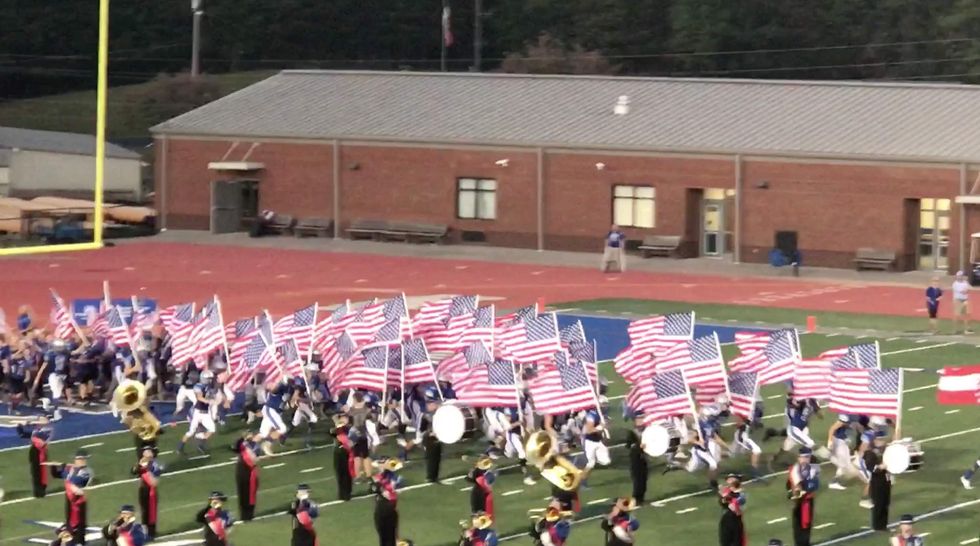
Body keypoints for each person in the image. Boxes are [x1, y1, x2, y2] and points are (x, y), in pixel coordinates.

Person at [51, 449, 93, 545]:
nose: (78, 461)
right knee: (70, 523)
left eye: (81, 459)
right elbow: (56, 474)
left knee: (79, 526)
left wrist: (66, 473)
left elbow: (78, 481)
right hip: (69, 500)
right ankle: (71, 542)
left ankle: (80, 543)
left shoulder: (87, 471)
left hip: (79, 502)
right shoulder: (71, 469)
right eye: (77, 459)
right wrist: (54, 467)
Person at [177, 370, 216, 455]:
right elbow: (199, 397)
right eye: (209, 379)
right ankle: (180, 447)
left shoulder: (210, 387)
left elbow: (212, 397)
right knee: (191, 432)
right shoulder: (198, 386)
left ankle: (200, 443)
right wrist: (208, 401)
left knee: (212, 429)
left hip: (206, 413)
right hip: (197, 412)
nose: (210, 380)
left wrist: (213, 400)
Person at [786, 447, 819, 546]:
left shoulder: (813, 468)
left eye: (808, 457)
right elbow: (797, 486)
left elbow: (815, 484)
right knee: (799, 524)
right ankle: (800, 543)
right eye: (803, 457)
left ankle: (806, 542)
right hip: (799, 501)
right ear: (799, 458)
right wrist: (802, 488)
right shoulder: (795, 469)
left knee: (808, 522)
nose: (805, 459)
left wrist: (806, 487)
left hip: (808, 499)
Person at [16, 414, 53, 497]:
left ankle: (40, 491)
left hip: (40, 453)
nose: (39, 421)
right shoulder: (38, 430)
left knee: (40, 473)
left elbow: (37, 437)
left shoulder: (47, 429)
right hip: (34, 452)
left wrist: (28, 423)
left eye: (42, 419)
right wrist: (19, 425)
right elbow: (22, 435)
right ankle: (38, 491)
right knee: (35, 473)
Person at [131, 448, 162, 540]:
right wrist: (139, 465)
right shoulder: (141, 463)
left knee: (151, 513)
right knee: (144, 512)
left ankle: (151, 533)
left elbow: (154, 481)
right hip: (142, 490)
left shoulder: (155, 464)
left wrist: (146, 470)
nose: (146, 456)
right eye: (145, 454)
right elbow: (133, 471)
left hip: (151, 491)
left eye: (148, 453)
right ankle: (145, 532)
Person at [372, 458, 403, 546]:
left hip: (386, 509)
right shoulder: (383, 478)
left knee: (387, 538)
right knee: (388, 537)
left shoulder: (391, 479)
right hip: (387, 509)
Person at [864, 433, 891, 531]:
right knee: (878, 504)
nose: (883, 441)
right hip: (877, 481)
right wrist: (881, 467)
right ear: (875, 440)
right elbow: (871, 467)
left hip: (886, 480)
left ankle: (883, 525)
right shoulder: (870, 453)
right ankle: (877, 526)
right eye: (880, 439)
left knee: (885, 503)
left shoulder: (886, 451)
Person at [235, 430, 261, 521]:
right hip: (242, 470)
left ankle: (249, 514)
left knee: (250, 494)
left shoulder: (255, 445)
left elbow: (255, 458)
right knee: (243, 493)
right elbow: (236, 447)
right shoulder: (242, 444)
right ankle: (244, 515)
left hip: (250, 471)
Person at [624, 411, 649, 504]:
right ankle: (636, 498)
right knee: (637, 479)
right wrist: (639, 446)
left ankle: (641, 498)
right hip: (635, 458)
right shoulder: (632, 432)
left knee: (644, 478)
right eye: (639, 419)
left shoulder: (647, 431)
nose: (642, 421)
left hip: (644, 458)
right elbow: (629, 445)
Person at [330, 413, 356, 501]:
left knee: (347, 474)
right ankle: (341, 493)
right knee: (339, 473)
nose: (343, 420)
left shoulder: (349, 429)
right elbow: (334, 417)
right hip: (337, 452)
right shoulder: (338, 428)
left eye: (345, 418)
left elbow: (351, 442)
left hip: (346, 452)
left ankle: (347, 493)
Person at [718, 474, 747, 546]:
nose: (728, 481)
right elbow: (722, 503)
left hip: (735, 521)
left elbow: (734, 507)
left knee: (737, 543)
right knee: (725, 542)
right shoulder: (727, 491)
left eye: (731, 479)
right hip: (725, 520)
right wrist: (722, 496)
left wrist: (726, 497)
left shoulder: (741, 495)